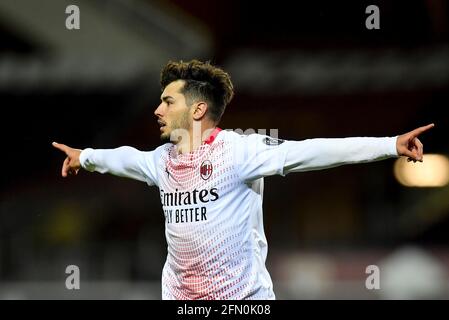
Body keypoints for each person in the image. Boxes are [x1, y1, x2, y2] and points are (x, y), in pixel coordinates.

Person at [52, 59, 434, 300]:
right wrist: (85, 157)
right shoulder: (162, 161)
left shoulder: (239, 151)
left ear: (198, 108)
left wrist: (388, 145)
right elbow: (125, 159)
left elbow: (312, 151)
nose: (157, 109)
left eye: (168, 101)